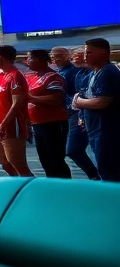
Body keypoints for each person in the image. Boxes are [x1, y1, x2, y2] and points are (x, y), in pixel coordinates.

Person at [73, 38, 119, 183]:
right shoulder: (94, 73)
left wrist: (79, 102)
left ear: (104, 53)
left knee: (110, 173)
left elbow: (101, 102)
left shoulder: (108, 72)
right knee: (104, 170)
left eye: (90, 53)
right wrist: (82, 115)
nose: (86, 56)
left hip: (107, 131)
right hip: (96, 130)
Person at [55, 46, 101, 180]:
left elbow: (90, 97)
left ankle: (100, 177)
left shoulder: (91, 73)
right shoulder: (79, 73)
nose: (76, 57)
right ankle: (96, 176)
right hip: (77, 115)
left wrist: (78, 109)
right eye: (75, 55)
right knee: (74, 150)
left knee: (87, 149)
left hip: (87, 115)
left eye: (82, 54)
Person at [24, 49, 71, 179]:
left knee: (56, 159)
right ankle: (52, 188)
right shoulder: (32, 77)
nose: (27, 61)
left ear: (40, 60)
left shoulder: (53, 77)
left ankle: (65, 189)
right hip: (37, 124)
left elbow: (56, 99)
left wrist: (30, 98)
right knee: (45, 160)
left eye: (30, 58)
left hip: (53, 123)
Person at [0, 45, 33, 177]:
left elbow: (17, 103)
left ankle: (32, 190)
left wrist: (3, 124)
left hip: (12, 127)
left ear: (2, 58)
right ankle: (17, 187)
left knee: (17, 163)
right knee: (5, 163)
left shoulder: (16, 76)